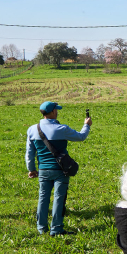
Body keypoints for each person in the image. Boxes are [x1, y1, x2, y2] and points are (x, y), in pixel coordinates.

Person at [26, 101, 92, 236]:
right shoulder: (61, 129)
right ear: (53, 112)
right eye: (56, 110)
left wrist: (32, 169)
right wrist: (87, 125)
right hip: (61, 170)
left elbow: (29, 153)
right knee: (59, 198)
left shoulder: (32, 129)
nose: (57, 112)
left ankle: (41, 228)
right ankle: (56, 228)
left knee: (43, 197)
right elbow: (81, 136)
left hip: (43, 170)